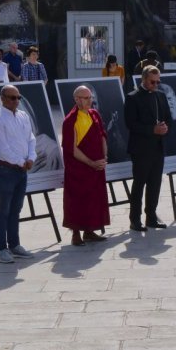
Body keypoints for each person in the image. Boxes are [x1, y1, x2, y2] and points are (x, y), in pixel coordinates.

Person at [0, 85, 35, 263]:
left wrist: (31, 157)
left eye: (18, 97)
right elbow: (2, 148)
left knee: (16, 208)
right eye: (12, 98)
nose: (16, 101)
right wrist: (22, 162)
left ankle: (14, 244)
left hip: (22, 169)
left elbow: (31, 138)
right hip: (7, 169)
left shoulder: (23, 115)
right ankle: (1, 248)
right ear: (3, 98)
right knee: (4, 209)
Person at [61, 85, 110, 246]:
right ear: (77, 99)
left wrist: (103, 157)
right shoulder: (70, 120)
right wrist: (91, 162)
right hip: (79, 168)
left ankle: (90, 231)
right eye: (86, 98)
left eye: (90, 97)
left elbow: (102, 136)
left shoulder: (94, 114)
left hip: (96, 166)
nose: (90, 100)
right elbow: (72, 148)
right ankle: (76, 233)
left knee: (94, 199)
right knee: (77, 199)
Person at [125, 66, 172, 230]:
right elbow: (131, 124)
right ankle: (135, 219)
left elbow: (168, 117)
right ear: (144, 79)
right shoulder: (133, 97)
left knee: (155, 184)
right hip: (141, 149)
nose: (156, 85)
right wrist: (152, 129)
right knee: (139, 184)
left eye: (158, 82)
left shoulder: (160, 95)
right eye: (153, 82)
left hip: (158, 147)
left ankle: (151, 216)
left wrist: (165, 128)